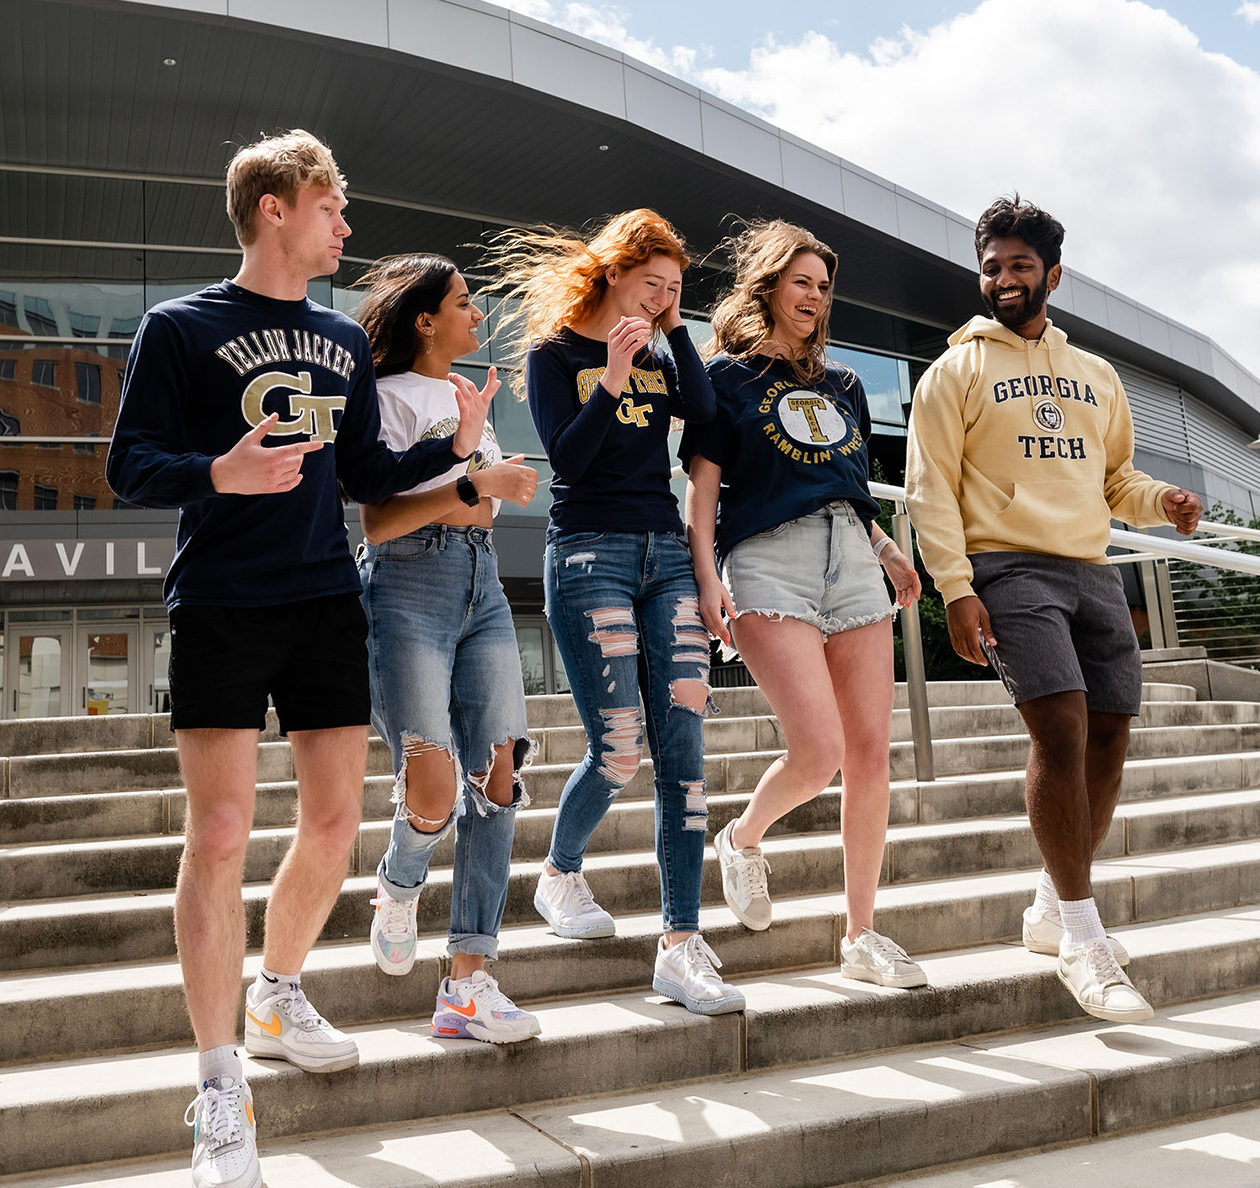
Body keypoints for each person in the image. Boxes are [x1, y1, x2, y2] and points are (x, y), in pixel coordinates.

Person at [106, 131, 492, 1188]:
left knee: (332, 823)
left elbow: (366, 468)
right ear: (275, 206)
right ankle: (219, 1085)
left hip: (328, 595)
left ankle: (276, 989)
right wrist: (215, 473)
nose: (347, 224)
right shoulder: (177, 326)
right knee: (222, 830)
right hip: (224, 601)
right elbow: (128, 465)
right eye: (334, 204)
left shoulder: (337, 337)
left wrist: (453, 450)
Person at [905, 194, 1202, 1023]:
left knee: (1110, 734)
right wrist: (957, 589)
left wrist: (1163, 500)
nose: (1003, 278)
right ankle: (1081, 934)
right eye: (992, 266)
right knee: (1061, 726)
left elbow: (1115, 483)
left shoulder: (1097, 376)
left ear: (1053, 275)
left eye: (1020, 265)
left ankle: (1049, 904)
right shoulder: (953, 373)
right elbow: (930, 490)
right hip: (1007, 567)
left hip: (1092, 570)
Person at [483, 209, 744, 1015]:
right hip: (589, 551)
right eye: (651, 284)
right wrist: (620, 373)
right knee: (621, 747)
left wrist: (673, 334)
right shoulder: (556, 354)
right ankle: (560, 873)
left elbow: (706, 416)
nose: (663, 300)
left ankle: (680, 943)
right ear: (610, 275)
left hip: (665, 554)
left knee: (686, 754)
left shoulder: (666, 345)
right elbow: (570, 454)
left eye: (673, 290)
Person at [682, 220, 926, 989]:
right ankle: (744, 837)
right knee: (817, 751)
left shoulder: (844, 385)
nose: (815, 297)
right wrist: (706, 574)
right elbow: (704, 489)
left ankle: (860, 935)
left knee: (869, 759)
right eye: (802, 282)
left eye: (823, 287)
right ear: (769, 286)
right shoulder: (726, 378)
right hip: (768, 561)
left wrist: (887, 550)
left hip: (853, 560)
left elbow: (849, 491)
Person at [353, 253, 541, 1043]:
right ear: (424, 319)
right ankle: (399, 882)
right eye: (464, 303)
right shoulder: (387, 397)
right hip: (406, 587)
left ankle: (469, 981)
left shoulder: (472, 398)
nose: (476, 315)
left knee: (497, 778)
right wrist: (478, 488)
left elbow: (484, 511)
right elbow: (378, 520)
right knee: (430, 794)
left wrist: (490, 485)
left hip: (482, 588)